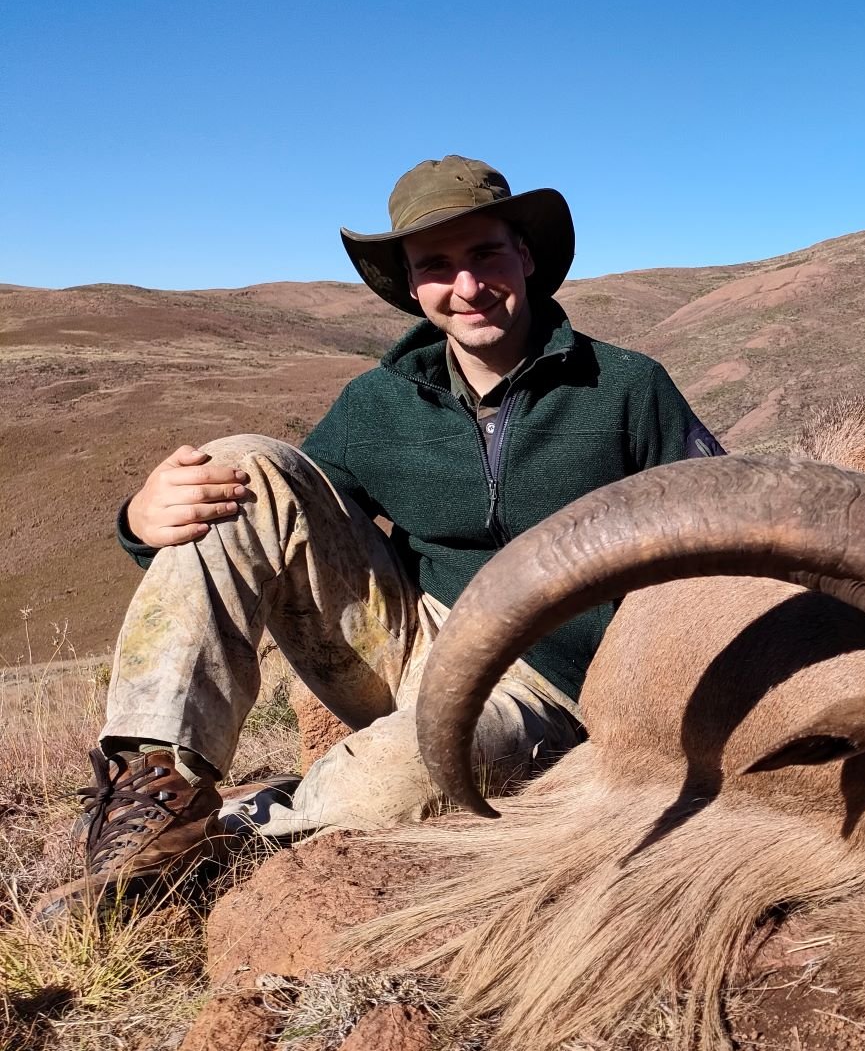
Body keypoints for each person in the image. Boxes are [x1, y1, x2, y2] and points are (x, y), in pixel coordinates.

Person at [35, 156, 722, 919]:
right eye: (437, 266)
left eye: (486, 254)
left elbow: (718, 525)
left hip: (545, 681)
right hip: (408, 640)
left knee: (411, 774)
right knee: (246, 463)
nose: (467, 287)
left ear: (524, 256)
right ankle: (154, 796)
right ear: (411, 282)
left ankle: (241, 843)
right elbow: (285, 514)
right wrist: (139, 521)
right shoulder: (379, 401)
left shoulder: (628, 387)